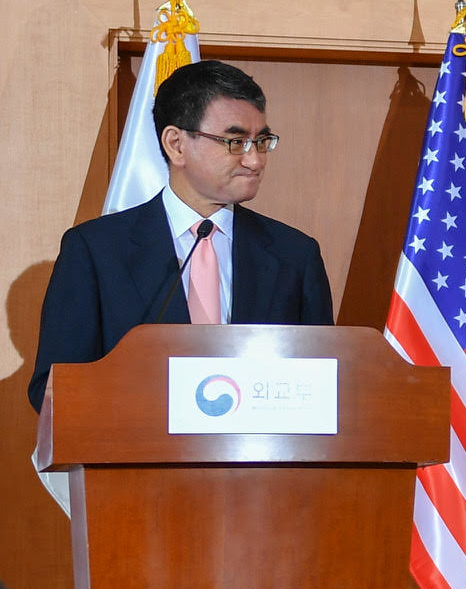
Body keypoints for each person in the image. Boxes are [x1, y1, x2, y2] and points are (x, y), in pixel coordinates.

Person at [28, 60, 334, 411]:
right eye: (236, 142)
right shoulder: (96, 251)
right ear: (176, 144)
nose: (255, 161)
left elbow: (322, 383)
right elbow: (53, 389)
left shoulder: (295, 255)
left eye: (261, 141)